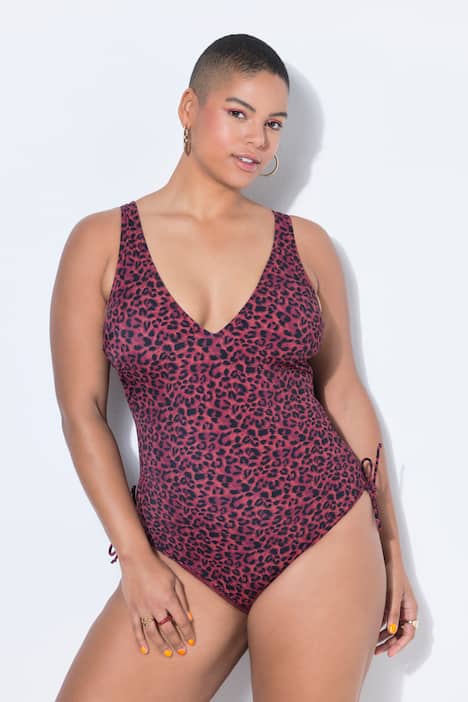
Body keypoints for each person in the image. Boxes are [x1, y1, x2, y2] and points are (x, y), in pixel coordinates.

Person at [50, 32, 418, 702]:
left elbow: (343, 394)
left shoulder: (306, 247)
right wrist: (135, 559)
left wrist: (392, 549)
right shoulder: (102, 242)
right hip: (182, 554)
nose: (258, 139)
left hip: (322, 533)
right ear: (190, 109)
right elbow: (82, 413)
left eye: (275, 123)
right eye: (239, 113)